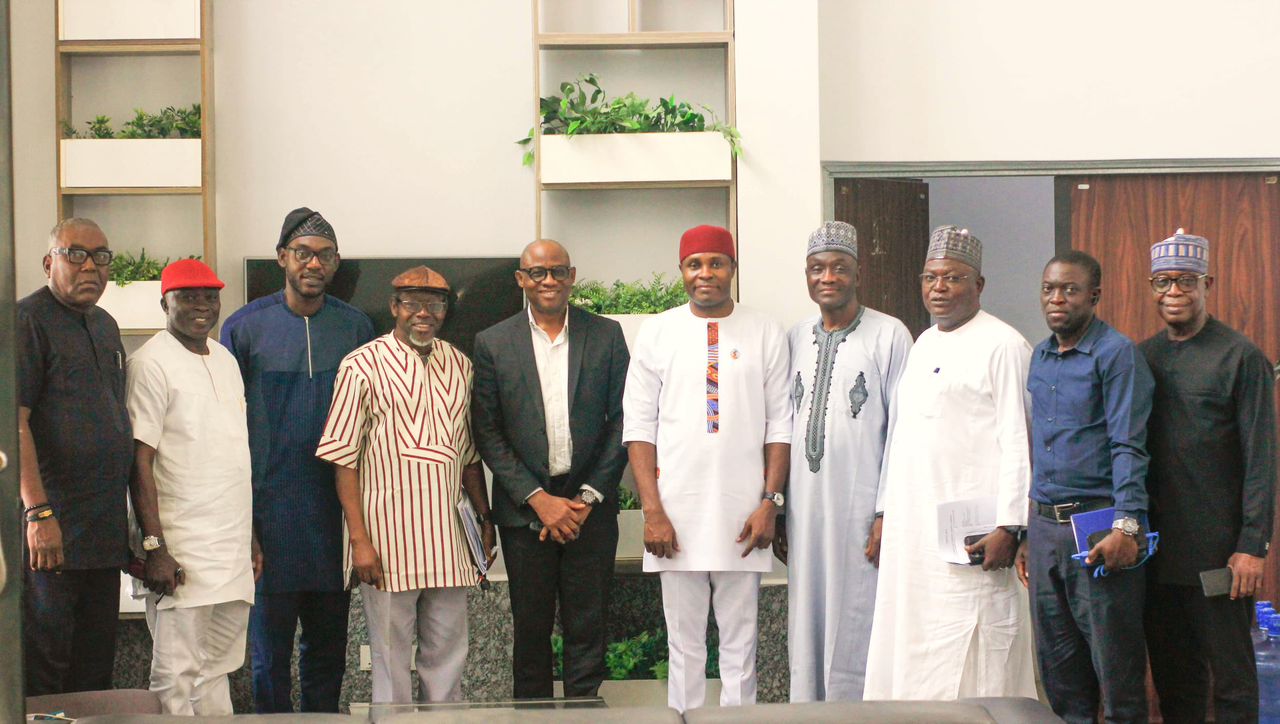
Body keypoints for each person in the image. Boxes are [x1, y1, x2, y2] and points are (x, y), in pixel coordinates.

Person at [622, 225, 791, 712]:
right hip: (675, 514)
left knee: (741, 648)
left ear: (733, 268)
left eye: (716, 263)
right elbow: (639, 428)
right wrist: (652, 512)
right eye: (695, 264)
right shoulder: (658, 330)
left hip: (745, 513)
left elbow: (780, 425)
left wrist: (769, 504)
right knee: (684, 646)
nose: (705, 274)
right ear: (681, 271)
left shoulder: (764, 330)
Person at [864, 225, 1037, 700]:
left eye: (953, 278)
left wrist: (1011, 526)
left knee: (977, 645)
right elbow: (903, 437)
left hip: (977, 535)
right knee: (915, 645)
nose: (939, 288)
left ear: (978, 285)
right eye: (931, 277)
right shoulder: (923, 343)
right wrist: (885, 513)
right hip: (914, 534)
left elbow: (1021, 441)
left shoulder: (1005, 345)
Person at [316, 265, 497, 705]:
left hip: (449, 538)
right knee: (390, 656)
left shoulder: (460, 364)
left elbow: (469, 455)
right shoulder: (361, 365)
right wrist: (359, 540)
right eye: (412, 302)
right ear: (395, 307)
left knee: (449, 653)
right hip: (387, 540)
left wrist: (485, 518)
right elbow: (343, 460)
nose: (424, 312)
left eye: (434, 303)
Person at [220, 207, 374, 713]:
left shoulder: (356, 328)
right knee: (269, 658)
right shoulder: (244, 328)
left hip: (333, 517)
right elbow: (226, 432)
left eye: (325, 255)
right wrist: (245, 526)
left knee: (329, 654)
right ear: (282, 257)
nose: (314, 263)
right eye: (303, 252)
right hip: (270, 516)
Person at [472, 239, 630, 699]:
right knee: (530, 631)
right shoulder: (493, 342)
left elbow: (624, 420)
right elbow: (488, 431)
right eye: (537, 273)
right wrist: (539, 500)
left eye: (558, 271)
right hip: (526, 515)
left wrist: (584, 499)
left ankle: (583, 713)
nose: (548, 281)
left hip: (590, 512)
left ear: (572, 276)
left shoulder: (606, 335)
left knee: (588, 627)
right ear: (521, 279)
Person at [1140, 230, 1276, 723]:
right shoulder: (1143, 357)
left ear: (1207, 284)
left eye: (1185, 282)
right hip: (1156, 557)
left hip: (1221, 558)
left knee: (1233, 682)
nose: (1173, 292)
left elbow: (1262, 458)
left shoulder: (1241, 357)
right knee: (1175, 681)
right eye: (1163, 282)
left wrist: (1252, 545)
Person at [1016, 250, 1154, 723]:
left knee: (1117, 680)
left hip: (1098, 526)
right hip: (1045, 530)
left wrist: (1127, 525)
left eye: (1069, 290)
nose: (1057, 299)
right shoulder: (1040, 355)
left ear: (1093, 296)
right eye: (1049, 289)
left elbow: (1129, 445)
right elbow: (1035, 448)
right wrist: (1028, 532)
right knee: (1061, 679)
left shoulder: (1117, 354)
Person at [780, 221, 912, 702]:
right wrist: (777, 508)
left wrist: (886, 512)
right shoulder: (793, 338)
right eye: (818, 268)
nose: (828, 277)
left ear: (858, 273)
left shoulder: (890, 335)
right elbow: (779, 427)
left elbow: (903, 430)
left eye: (839, 267)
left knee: (859, 616)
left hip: (862, 513)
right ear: (807, 276)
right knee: (806, 617)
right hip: (804, 513)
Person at [126, 259, 259, 716]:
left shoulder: (225, 360)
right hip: (181, 549)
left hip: (231, 546)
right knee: (175, 675)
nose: (202, 306)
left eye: (210, 296)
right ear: (164, 302)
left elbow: (230, 456)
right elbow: (138, 460)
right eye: (188, 296)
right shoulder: (149, 363)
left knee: (220, 666)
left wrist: (251, 538)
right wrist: (154, 546)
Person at [18, 218, 133, 695]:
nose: (91, 266)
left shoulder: (105, 325)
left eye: (101, 257)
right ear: (50, 262)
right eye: (77, 254)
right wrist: (38, 512)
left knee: (95, 668)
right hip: (51, 532)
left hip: (102, 532)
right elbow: (12, 422)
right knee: (48, 666)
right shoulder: (26, 320)